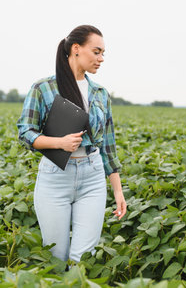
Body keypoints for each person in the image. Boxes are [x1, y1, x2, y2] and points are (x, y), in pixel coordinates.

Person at [17, 25, 127, 263]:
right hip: (55, 176)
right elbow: (25, 132)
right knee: (56, 256)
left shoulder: (100, 93)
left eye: (103, 53)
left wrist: (118, 190)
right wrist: (59, 142)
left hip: (93, 176)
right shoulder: (43, 88)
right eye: (96, 52)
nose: (101, 58)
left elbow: (108, 145)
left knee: (82, 259)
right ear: (76, 49)